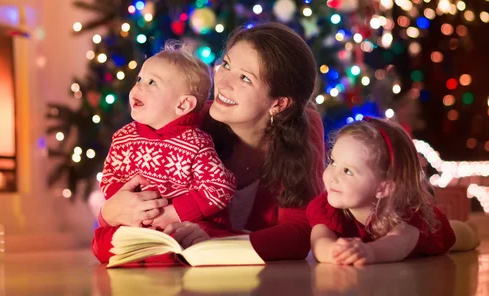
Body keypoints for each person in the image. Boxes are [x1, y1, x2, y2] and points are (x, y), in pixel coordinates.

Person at [92, 22, 326, 264]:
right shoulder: (186, 123)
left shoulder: (303, 126)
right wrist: (108, 213)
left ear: (279, 104)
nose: (222, 83)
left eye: (245, 78)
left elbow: (298, 234)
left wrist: (216, 241)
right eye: (226, 64)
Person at [99, 41, 236, 231]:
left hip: (182, 223)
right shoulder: (124, 137)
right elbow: (110, 176)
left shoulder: (196, 143)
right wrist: (127, 203)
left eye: (152, 82)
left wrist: (174, 213)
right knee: (103, 243)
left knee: (180, 240)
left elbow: (219, 188)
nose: (138, 87)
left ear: (182, 105)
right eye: (139, 79)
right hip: (136, 223)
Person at [308, 117, 479, 266]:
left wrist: (370, 252)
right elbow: (319, 241)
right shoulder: (327, 207)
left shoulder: (405, 215)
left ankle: (471, 230)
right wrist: (335, 253)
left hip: (431, 234)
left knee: (458, 235)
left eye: (348, 171)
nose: (332, 176)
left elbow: (399, 242)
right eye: (333, 162)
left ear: (383, 187)